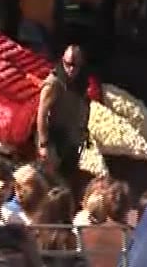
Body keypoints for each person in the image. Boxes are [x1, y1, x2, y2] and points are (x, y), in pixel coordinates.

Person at [36, 44, 90, 191]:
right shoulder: (54, 83)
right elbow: (42, 113)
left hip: (71, 140)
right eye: (68, 64)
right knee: (51, 187)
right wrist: (44, 144)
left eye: (76, 65)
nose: (71, 69)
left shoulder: (80, 83)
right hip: (54, 140)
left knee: (67, 182)